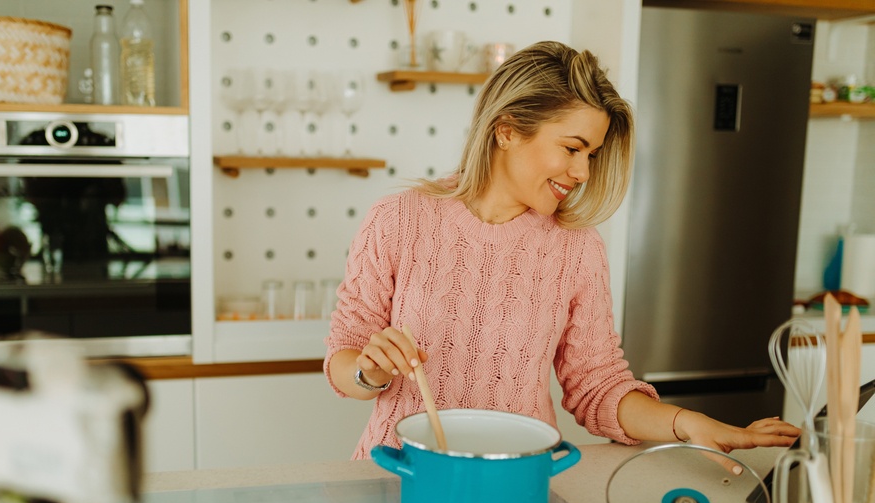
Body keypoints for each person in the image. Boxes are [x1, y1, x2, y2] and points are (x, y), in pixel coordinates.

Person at [324, 41, 799, 464]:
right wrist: (369, 370)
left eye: (591, 153)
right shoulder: (399, 220)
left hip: (517, 480)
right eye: (573, 148)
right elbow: (344, 356)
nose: (584, 171)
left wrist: (687, 424)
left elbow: (597, 385)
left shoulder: (576, 249)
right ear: (507, 130)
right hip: (398, 473)